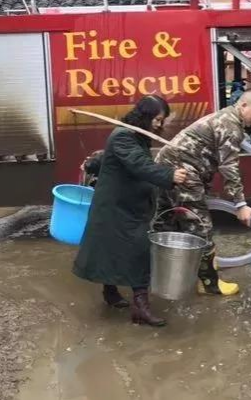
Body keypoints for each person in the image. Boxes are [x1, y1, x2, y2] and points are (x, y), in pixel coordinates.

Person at [72, 96, 187, 327]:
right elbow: (137, 163)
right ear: (144, 116)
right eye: (157, 119)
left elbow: (111, 157)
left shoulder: (135, 135)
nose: (159, 124)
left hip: (125, 205)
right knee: (138, 250)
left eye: (161, 120)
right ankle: (140, 307)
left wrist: (92, 164)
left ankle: (110, 293)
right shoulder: (124, 135)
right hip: (117, 206)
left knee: (112, 248)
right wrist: (168, 175)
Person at [154, 89, 251, 296]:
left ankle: (155, 273)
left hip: (168, 168)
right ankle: (209, 283)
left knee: (166, 222)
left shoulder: (225, 117)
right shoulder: (231, 125)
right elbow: (228, 167)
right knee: (200, 225)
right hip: (182, 173)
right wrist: (240, 204)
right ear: (243, 106)